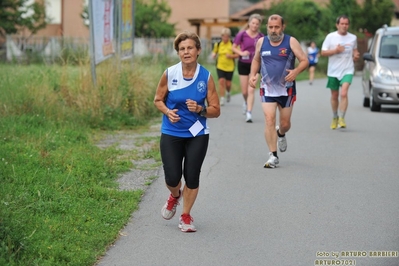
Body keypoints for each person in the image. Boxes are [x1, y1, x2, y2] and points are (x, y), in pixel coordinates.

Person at [153, 31, 220, 232]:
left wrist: (201, 109)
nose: (186, 52)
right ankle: (175, 195)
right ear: (178, 53)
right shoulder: (169, 73)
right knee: (172, 178)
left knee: (192, 176)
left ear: (198, 50)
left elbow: (216, 110)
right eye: (182, 49)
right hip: (171, 132)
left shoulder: (206, 77)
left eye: (190, 48)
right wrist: (167, 111)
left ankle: (186, 216)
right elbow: (157, 99)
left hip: (197, 134)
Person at [249, 14, 309, 168]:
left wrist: (295, 72)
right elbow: (256, 59)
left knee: (285, 123)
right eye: (270, 27)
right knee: (269, 119)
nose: (273, 30)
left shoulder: (291, 41)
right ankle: (273, 155)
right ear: (267, 27)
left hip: (286, 89)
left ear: (283, 27)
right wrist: (253, 74)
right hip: (267, 88)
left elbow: (304, 60)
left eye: (276, 27)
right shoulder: (262, 42)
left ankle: (281, 133)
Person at [321, 15, 360, 129]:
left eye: (346, 24)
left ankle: (342, 118)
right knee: (334, 95)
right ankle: (335, 116)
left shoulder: (353, 38)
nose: (344, 26)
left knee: (343, 93)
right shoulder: (330, 37)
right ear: (337, 25)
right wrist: (335, 50)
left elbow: (355, 51)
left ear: (348, 25)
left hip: (347, 69)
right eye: (342, 24)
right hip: (333, 71)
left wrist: (356, 55)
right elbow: (323, 53)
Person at [232, 13, 264, 123]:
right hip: (243, 63)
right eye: (253, 23)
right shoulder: (242, 35)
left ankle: (249, 113)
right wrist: (241, 52)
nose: (254, 25)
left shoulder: (261, 37)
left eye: (257, 24)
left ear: (259, 25)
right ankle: (246, 102)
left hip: (255, 65)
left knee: (251, 90)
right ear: (249, 23)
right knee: (245, 91)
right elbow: (233, 47)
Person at [211, 28, 239, 106]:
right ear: (221, 36)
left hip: (230, 67)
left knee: (228, 84)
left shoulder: (233, 44)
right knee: (221, 81)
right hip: (220, 66)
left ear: (229, 36)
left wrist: (231, 56)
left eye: (227, 36)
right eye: (223, 36)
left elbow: (238, 54)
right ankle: (222, 98)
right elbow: (214, 51)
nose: (225, 38)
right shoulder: (219, 44)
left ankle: (228, 92)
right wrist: (213, 55)